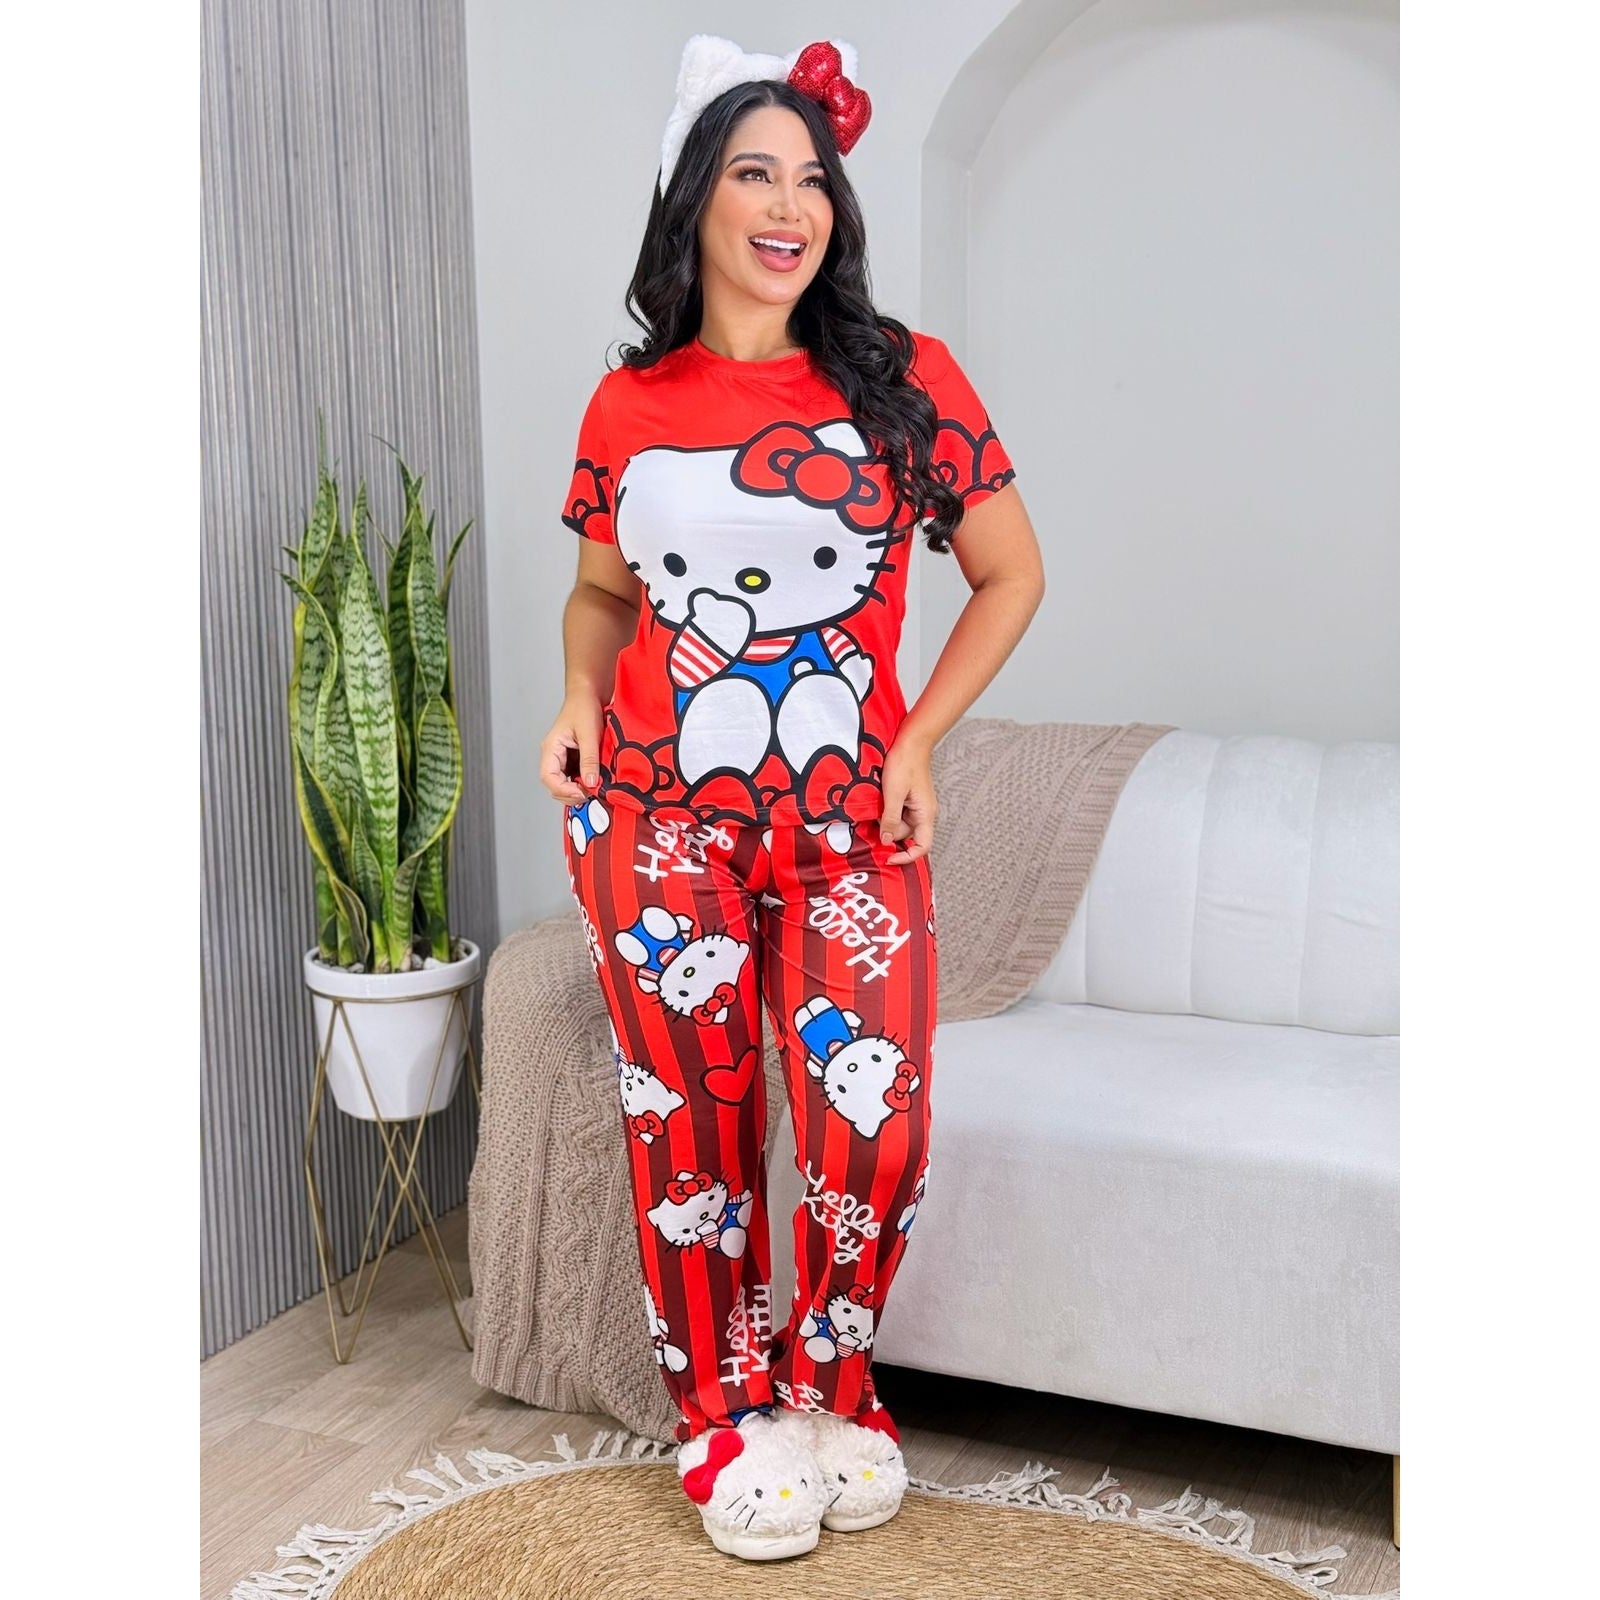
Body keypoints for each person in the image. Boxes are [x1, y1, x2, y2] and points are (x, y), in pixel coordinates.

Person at [539, 33, 1045, 1563]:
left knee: (873, 1123)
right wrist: (578, 696)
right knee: (687, 1127)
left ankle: (830, 1386)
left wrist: (919, 740)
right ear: (692, 199)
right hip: (654, 822)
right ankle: (723, 1417)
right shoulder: (628, 402)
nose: (789, 206)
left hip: (851, 828)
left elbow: (1012, 575)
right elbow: (600, 594)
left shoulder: (903, 377)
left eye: (812, 179)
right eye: (754, 174)